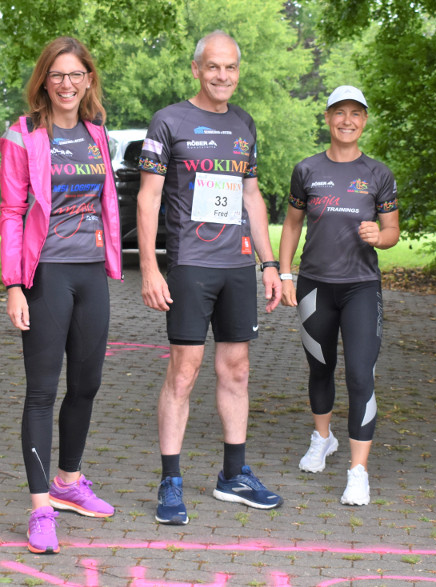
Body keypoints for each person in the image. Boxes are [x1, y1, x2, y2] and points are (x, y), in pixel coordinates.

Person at [137, 30, 283, 525]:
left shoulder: (244, 123)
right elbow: (148, 198)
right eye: (213, 67)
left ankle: (233, 475)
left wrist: (270, 264)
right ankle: (171, 481)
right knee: (184, 370)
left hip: (237, 265)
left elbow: (252, 197)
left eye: (231, 68)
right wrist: (151, 266)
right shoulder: (169, 121)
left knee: (237, 369)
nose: (223, 76)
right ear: (197, 69)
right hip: (190, 265)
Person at [0, 37, 122, 554]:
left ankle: (68, 483)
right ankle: (39, 508)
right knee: (42, 390)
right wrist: (13, 285)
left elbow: (107, 201)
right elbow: (10, 211)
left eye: (76, 74)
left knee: (88, 384)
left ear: (88, 79)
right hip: (47, 273)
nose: (67, 84)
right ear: (44, 81)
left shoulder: (98, 134)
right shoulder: (23, 134)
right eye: (57, 75)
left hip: (91, 271)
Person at [278, 85, 399, 506]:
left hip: (361, 287)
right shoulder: (306, 170)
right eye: (339, 113)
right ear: (327, 118)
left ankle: (358, 471)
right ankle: (322, 439)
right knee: (320, 368)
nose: (347, 120)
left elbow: (393, 232)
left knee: (361, 376)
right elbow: (292, 224)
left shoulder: (378, 174)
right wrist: (286, 274)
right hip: (314, 286)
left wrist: (379, 238)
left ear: (364, 120)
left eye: (356, 114)